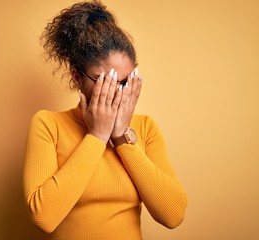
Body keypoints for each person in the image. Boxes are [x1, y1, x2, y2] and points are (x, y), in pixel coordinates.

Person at [23, 1, 187, 239]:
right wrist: (97, 136)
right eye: (106, 81)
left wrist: (121, 137)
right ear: (78, 77)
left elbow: (173, 215)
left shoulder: (146, 128)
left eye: (125, 82)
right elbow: (44, 217)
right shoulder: (48, 125)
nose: (118, 92)